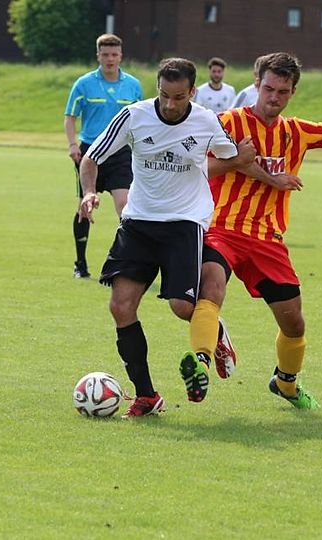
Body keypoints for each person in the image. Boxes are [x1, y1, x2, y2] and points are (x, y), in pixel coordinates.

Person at [196, 52, 322, 410]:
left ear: (292, 92)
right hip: (221, 228)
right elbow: (200, 166)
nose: (274, 97)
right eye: (268, 89)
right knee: (211, 286)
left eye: (282, 92)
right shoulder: (227, 122)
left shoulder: (296, 131)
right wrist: (266, 175)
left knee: (294, 324)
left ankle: (285, 382)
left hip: (267, 238)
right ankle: (200, 364)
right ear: (256, 84)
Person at [77, 58, 242, 418]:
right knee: (120, 307)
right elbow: (91, 158)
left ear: (192, 92)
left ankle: (215, 331)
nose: (169, 104)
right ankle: (146, 396)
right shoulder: (134, 116)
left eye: (178, 97)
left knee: (182, 307)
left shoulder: (206, 120)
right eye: (164, 95)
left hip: (184, 222)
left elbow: (234, 156)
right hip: (138, 221)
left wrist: (202, 167)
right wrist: (89, 192)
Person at [65, 33, 143, 278]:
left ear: (121, 56)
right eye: (105, 54)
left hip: (121, 153)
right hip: (91, 153)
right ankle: (80, 263)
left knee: (125, 205)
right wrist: (72, 144)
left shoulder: (133, 85)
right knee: (85, 205)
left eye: (114, 54)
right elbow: (70, 116)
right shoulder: (84, 83)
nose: (110, 59)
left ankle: (128, 261)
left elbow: (141, 119)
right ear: (98, 55)